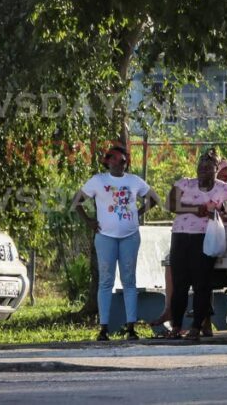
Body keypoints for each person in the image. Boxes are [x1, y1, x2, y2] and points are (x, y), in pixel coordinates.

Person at [74, 144, 161, 341]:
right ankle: (103, 327)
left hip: (129, 235)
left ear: (126, 162)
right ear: (107, 161)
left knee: (129, 281)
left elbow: (153, 198)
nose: (118, 164)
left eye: (122, 161)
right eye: (113, 159)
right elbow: (77, 200)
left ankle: (131, 327)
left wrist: (138, 213)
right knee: (106, 281)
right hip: (105, 236)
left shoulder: (134, 181)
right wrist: (88, 221)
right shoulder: (98, 180)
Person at [166, 150, 227, 340]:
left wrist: (218, 214)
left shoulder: (225, 189)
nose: (203, 170)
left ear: (216, 169)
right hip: (181, 236)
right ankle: (176, 326)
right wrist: (194, 209)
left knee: (202, 284)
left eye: (208, 167)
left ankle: (197, 326)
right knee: (180, 283)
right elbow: (171, 205)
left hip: (204, 237)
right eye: (200, 166)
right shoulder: (185, 184)